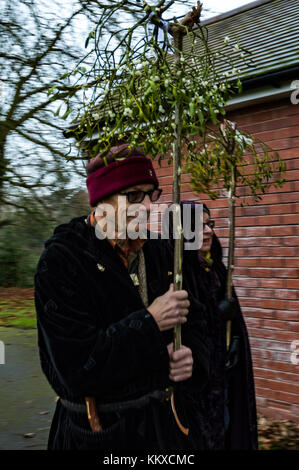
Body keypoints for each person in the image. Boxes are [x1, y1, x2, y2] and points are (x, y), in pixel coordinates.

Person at [34, 144, 209, 450]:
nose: (145, 207)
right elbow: (76, 368)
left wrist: (189, 355)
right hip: (99, 434)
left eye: (150, 195)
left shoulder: (162, 252)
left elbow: (196, 322)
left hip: (162, 429)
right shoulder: (62, 261)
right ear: (101, 201)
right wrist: (149, 323)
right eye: (133, 196)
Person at [163, 201, 258, 450]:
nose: (208, 231)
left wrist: (234, 340)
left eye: (209, 224)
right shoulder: (175, 275)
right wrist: (216, 316)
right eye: (199, 225)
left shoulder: (216, 269)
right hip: (194, 395)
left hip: (222, 382)